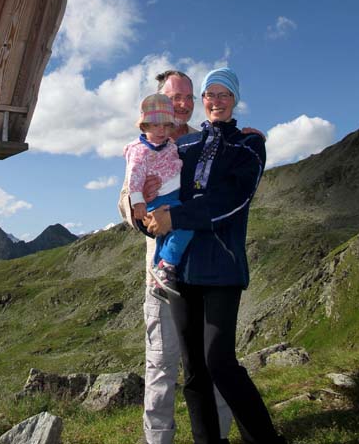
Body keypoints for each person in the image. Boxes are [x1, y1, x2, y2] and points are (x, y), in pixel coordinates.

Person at [145, 68, 287, 444]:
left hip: (222, 268)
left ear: (235, 99)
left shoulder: (248, 146)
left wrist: (173, 217)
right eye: (210, 94)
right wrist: (148, 216)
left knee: (219, 362)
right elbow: (159, 188)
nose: (216, 101)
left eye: (225, 94)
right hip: (182, 273)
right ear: (203, 101)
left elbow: (232, 202)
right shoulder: (184, 147)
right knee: (193, 370)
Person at [118, 71, 233, 444]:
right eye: (174, 97)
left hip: (204, 268)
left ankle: (220, 435)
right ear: (160, 102)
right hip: (161, 271)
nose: (182, 103)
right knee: (161, 364)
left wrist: (249, 134)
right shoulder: (145, 145)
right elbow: (124, 198)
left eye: (187, 96)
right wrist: (140, 211)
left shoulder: (206, 140)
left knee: (213, 360)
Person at [123, 93, 192, 296]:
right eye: (155, 125)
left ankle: (158, 277)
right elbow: (133, 178)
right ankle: (167, 264)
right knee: (185, 225)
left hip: (174, 195)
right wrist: (138, 202)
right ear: (144, 127)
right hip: (161, 200)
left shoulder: (171, 145)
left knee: (164, 237)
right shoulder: (140, 151)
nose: (161, 130)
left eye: (166, 125)